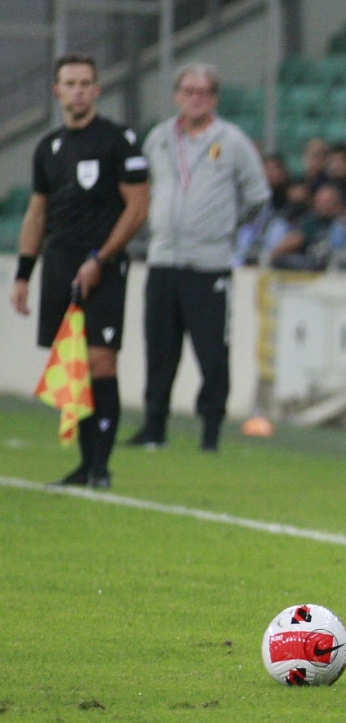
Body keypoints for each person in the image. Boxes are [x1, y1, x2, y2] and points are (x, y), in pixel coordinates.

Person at [10, 54, 150, 487]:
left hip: (103, 268)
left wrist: (100, 259)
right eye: (70, 83)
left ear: (97, 89)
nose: (78, 90)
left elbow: (139, 207)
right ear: (57, 91)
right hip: (58, 266)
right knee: (74, 368)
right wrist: (23, 274)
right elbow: (37, 212)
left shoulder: (119, 140)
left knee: (101, 362)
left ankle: (101, 468)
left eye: (86, 83)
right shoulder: (48, 148)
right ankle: (85, 465)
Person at [131, 62, 269, 454]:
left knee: (212, 353)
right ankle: (154, 427)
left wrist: (226, 230)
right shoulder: (158, 138)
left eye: (204, 92)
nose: (196, 98)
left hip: (209, 264)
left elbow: (258, 196)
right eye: (189, 91)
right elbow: (143, 188)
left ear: (215, 98)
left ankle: (210, 433)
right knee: (159, 349)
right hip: (162, 258)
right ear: (177, 96)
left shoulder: (232, 140)